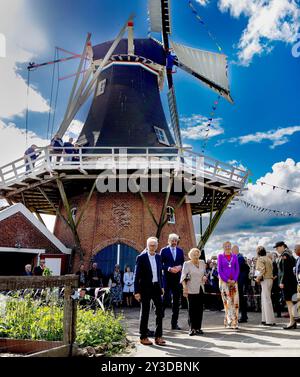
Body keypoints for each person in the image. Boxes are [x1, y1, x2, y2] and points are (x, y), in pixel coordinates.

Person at [134, 236, 166, 346]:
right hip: (145, 288)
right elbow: (136, 275)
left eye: (154, 245)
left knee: (160, 311)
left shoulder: (158, 257)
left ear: (157, 246)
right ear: (147, 246)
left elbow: (159, 273)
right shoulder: (141, 257)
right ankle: (143, 337)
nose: (152, 247)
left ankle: (158, 336)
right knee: (145, 312)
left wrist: (162, 286)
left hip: (156, 287)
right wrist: (136, 291)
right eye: (150, 245)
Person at [160, 233, 184, 330]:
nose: (174, 242)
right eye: (172, 241)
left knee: (176, 302)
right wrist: (169, 268)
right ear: (169, 241)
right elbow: (160, 264)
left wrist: (180, 267)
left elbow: (183, 262)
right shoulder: (164, 250)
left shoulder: (180, 250)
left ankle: (174, 324)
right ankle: (160, 322)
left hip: (177, 279)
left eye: (175, 241)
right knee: (165, 300)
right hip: (167, 278)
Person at [180, 248, 207, 336]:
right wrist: (185, 288)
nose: (196, 256)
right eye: (194, 255)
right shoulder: (187, 264)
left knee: (199, 309)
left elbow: (204, 273)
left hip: (200, 288)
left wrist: (204, 277)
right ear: (190, 256)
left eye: (197, 254)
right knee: (192, 309)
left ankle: (198, 328)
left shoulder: (202, 262)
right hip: (191, 289)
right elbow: (183, 277)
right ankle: (192, 328)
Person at [274, 241, 297, 329]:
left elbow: (285, 271)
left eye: (277, 247)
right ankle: (293, 321)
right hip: (289, 283)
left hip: (287, 283)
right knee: (290, 302)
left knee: (289, 302)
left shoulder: (285, 255)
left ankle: (292, 322)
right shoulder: (288, 254)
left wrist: (282, 282)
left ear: (282, 246)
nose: (276, 249)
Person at [218, 241, 240, 330]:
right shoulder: (220, 256)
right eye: (226, 246)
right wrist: (227, 280)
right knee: (227, 302)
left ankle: (235, 322)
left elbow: (237, 269)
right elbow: (220, 270)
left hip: (234, 282)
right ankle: (228, 321)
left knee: (235, 302)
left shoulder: (234, 256)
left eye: (229, 246)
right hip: (224, 282)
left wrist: (234, 279)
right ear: (223, 247)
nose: (227, 247)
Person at [255, 247, 275, 326]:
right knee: (265, 299)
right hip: (270, 279)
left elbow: (262, 270)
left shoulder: (260, 259)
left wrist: (257, 278)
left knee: (266, 300)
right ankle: (265, 319)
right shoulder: (269, 259)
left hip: (265, 280)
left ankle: (269, 321)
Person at [232, 245, 249, 323]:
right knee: (240, 299)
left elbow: (236, 269)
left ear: (236, 250)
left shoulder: (239, 258)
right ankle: (244, 315)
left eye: (232, 250)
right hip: (239, 281)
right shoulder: (238, 257)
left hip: (239, 281)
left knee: (241, 299)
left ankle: (243, 316)